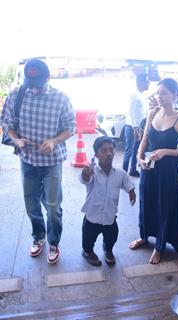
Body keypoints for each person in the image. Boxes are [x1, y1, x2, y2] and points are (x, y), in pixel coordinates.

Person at [0, 59, 75, 264]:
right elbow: (7, 123)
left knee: (52, 205)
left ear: (48, 78)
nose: (33, 89)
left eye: (37, 84)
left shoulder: (61, 98)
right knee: (31, 203)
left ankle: (53, 241)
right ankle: (38, 236)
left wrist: (53, 141)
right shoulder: (18, 94)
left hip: (52, 161)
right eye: (30, 83)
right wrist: (16, 139)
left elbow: (70, 127)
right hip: (28, 160)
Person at [129, 78, 178, 264]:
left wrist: (165, 152)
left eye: (164, 93)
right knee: (146, 202)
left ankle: (160, 246)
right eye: (158, 93)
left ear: (175, 95)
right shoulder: (152, 113)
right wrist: (140, 158)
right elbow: (145, 140)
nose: (160, 96)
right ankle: (145, 235)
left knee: (165, 206)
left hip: (168, 172)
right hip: (149, 167)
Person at [80, 136, 136, 266]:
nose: (109, 153)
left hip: (110, 217)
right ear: (96, 155)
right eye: (104, 150)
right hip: (92, 217)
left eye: (111, 150)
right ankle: (87, 252)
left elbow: (127, 181)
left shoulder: (120, 173)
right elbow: (84, 179)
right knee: (88, 238)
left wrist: (131, 191)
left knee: (112, 237)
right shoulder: (91, 172)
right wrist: (85, 174)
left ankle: (108, 250)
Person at [122, 73, 150, 177]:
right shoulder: (134, 95)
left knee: (135, 150)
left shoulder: (141, 95)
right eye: (147, 81)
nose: (149, 83)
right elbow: (131, 112)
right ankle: (123, 175)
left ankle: (132, 170)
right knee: (128, 152)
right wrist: (135, 129)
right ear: (141, 82)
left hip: (139, 127)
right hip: (132, 127)